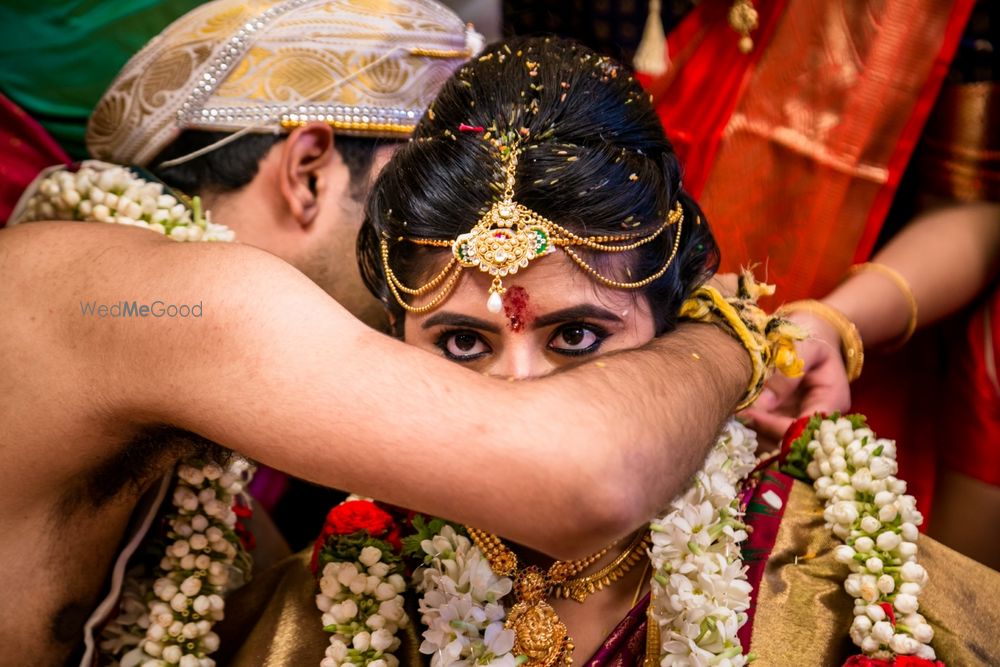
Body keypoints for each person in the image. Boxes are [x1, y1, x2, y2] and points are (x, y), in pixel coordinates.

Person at [0, 4, 755, 666]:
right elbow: (585, 474)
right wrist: (735, 333)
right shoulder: (176, 300)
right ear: (309, 172)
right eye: (420, 188)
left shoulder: (194, 422)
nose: (456, 229)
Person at [211, 37, 999, 667]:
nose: (523, 396)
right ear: (392, 339)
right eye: (461, 341)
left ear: (675, 323)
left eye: (577, 336)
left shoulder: (855, 589)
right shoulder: (347, 599)